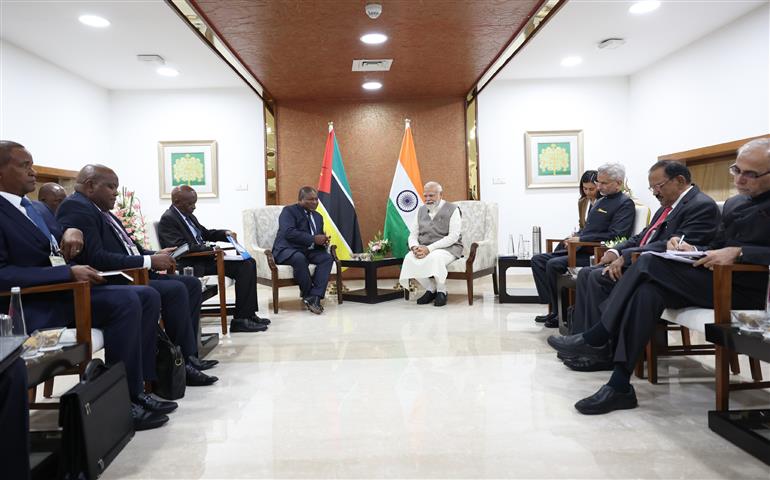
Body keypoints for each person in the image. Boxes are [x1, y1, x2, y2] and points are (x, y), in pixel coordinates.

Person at [548, 138, 770, 415]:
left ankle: (598, 333)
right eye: (737, 170)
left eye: (751, 174)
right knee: (646, 293)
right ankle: (619, 386)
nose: (741, 179)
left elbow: (734, 249)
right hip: (713, 278)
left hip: (745, 289)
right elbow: (715, 244)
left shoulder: (707, 205)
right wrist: (693, 248)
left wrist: (739, 252)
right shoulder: (736, 203)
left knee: (649, 261)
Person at [0, 141, 172, 430]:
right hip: (36, 302)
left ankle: (138, 391)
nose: (33, 172)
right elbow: (3, 273)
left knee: (146, 295)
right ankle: (122, 402)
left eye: (32, 164)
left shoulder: (36, 208)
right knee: (128, 301)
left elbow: (59, 234)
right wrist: (65, 275)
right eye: (24, 165)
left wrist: (72, 229)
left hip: (67, 293)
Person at [57, 164, 218, 386]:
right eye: (111, 187)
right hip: (114, 278)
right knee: (176, 288)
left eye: (117, 187)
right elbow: (96, 258)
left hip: (131, 272)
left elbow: (130, 248)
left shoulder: (102, 211)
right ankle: (157, 374)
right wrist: (149, 261)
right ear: (90, 186)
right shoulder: (77, 207)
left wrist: (154, 254)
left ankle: (187, 358)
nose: (115, 192)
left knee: (189, 284)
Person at [564, 160, 720, 371]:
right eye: (652, 187)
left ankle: (601, 349)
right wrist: (615, 251)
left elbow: (671, 246)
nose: (655, 192)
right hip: (645, 261)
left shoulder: (700, 205)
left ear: (680, 181)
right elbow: (641, 237)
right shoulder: (666, 208)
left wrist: (626, 257)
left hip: (669, 272)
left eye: (659, 186)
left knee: (597, 277)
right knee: (588, 274)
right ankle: (583, 342)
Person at [532, 163, 636, 328]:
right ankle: (554, 307)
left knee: (553, 264)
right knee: (538, 260)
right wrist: (575, 237)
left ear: (618, 183)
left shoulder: (624, 203)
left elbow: (617, 235)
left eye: (603, 183)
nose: (598, 186)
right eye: (599, 182)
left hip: (594, 252)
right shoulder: (602, 201)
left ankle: (562, 314)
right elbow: (588, 228)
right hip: (579, 248)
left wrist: (581, 240)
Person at [157, 185, 269, 332]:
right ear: (177, 201)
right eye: (190, 203)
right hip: (192, 263)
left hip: (204, 258)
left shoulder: (188, 216)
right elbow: (179, 247)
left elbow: (205, 234)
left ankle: (248, 314)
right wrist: (211, 249)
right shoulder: (168, 219)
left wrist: (225, 234)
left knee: (249, 262)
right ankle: (240, 320)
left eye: (195, 202)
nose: (194, 207)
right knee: (244, 267)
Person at [399, 181, 463, 307]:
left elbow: (453, 236)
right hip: (424, 248)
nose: (428, 199)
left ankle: (441, 291)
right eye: (426, 196)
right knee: (409, 258)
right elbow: (413, 235)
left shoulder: (453, 209)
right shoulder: (421, 210)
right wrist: (414, 247)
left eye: (432, 195)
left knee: (435, 257)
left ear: (440, 194)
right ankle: (431, 288)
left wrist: (429, 248)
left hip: (449, 248)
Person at [272, 186, 333, 314]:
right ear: (300, 200)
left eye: (316, 199)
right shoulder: (289, 211)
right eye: (310, 199)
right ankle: (308, 295)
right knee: (299, 258)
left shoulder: (318, 217)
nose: (315, 202)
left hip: (308, 251)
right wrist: (313, 238)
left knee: (327, 258)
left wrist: (323, 241)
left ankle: (315, 296)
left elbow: (316, 238)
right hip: (286, 250)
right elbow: (289, 232)